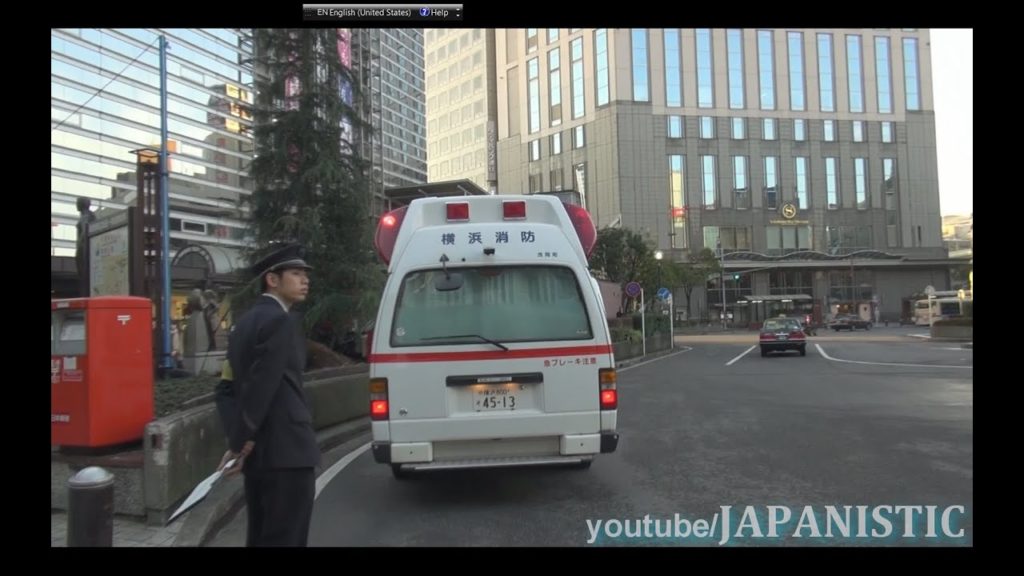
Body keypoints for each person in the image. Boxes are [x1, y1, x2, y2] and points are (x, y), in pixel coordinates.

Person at [214, 242, 319, 547]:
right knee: (287, 537)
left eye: (305, 275)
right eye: (296, 274)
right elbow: (264, 384)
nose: (305, 280)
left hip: (259, 457)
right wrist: (242, 441)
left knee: (261, 535)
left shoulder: (242, 325)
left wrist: (237, 441)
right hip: (288, 451)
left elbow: (227, 389)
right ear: (272, 280)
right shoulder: (280, 322)